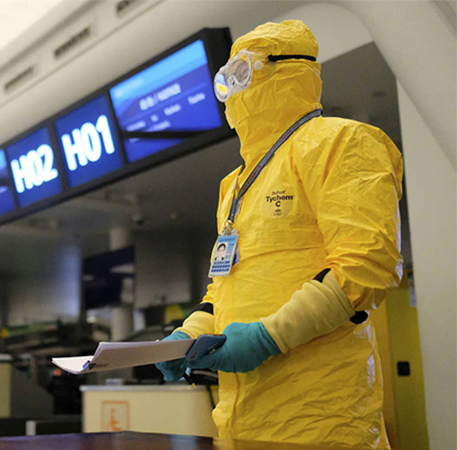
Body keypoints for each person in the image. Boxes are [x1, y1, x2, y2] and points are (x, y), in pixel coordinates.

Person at [155, 20, 402, 449]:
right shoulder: (235, 185)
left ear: (285, 69)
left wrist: (269, 337)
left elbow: (365, 266)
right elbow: (225, 287)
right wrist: (189, 334)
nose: (232, 88)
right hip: (240, 419)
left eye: (242, 72)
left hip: (321, 420)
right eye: (226, 77)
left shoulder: (341, 143)